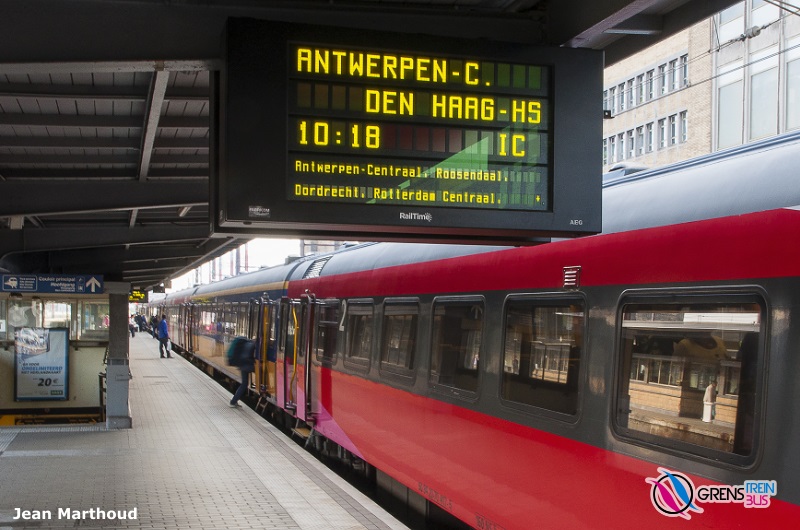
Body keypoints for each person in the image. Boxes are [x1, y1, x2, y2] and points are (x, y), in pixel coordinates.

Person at [229, 338, 255, 408]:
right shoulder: (252, 346)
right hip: (245, 366)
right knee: (244, 384)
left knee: (244, 383)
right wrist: (254, 363)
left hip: (243, 366)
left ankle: (234, 401)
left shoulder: (247, 344)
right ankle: (233, 401)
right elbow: (247, 357)